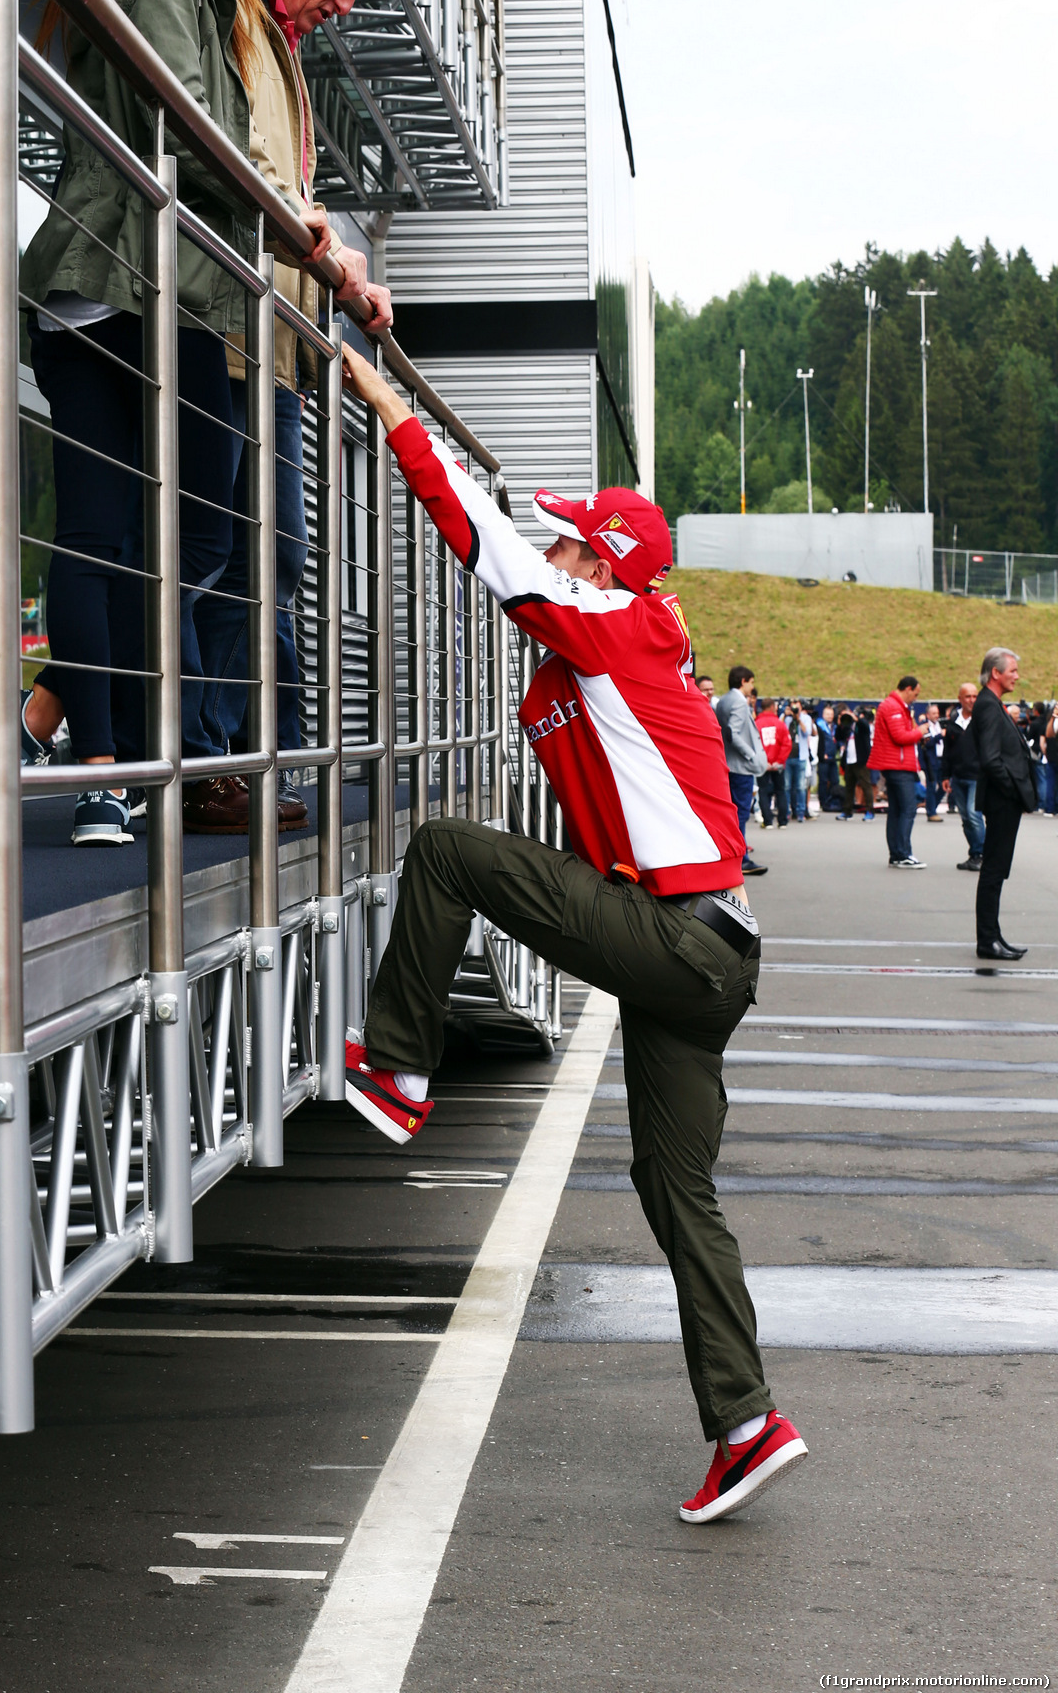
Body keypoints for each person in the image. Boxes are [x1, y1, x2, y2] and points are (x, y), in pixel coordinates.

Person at [333, 345, 807, 1525]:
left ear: (599, 565)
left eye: (566, 539)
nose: (548, 548)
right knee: (672, 1185)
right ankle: (745, 1423)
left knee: (446, 849)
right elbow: (556, 646)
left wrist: (388, 403)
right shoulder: (618, 642)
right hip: (709, 958)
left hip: (677, 936)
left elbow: (474, 537)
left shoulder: (615, 624)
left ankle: (397, 1065)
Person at [18, 0, 260, 844]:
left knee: (105, 536)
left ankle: (99, 769)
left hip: (90, 281)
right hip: (142, 279)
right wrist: (278, 214)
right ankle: (93, 750)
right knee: (194, 531)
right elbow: (186, 107)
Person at [190, 0, 398, 833]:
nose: (344, 8)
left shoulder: (282, 43)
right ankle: (210, 763)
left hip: (267, 339)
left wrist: (339, 277)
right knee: (219, 553)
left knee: (270, 558)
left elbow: (284, 202)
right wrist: (327, 246)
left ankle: (241, 762)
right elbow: (234, 158)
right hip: (217, 326)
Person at [971, 648, 1035, 959]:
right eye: (1012, 670)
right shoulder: (987, 706)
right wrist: (1012, 791)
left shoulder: (990, 704)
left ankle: (993, 936)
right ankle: (987, 941)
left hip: (1002, 799)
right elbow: (991, 759)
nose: (1017, 676)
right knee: (994, 870)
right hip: (1001, 801)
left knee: (997, 870)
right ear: (996, 673)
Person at [714, 666, 768, 876]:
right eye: (751, 682)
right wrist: (750, 755)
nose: (752, 687)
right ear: (743, 681)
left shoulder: (725, 700)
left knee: (735, 813)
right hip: (740, 766)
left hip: (729, 763)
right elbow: (733, 733)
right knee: (741, 813)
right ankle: (742, 858)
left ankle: (737, 855)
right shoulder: (738, 701)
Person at [870, 675, 925, 867]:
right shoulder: (893, 707)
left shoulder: (892, 706)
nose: (915, 699)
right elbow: (900, 736)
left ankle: (896, 853)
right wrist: (921, 731)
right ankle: (903, 853)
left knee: (897, 810)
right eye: (915, 694)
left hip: (893, 764)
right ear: (908, 689)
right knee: (908, 808)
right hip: (898, 765)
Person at [942, 682, 984, 870]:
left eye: (975, 696)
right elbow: (947, 751)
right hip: (958, 776)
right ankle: (974, 853)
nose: (972, 700)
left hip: (977, 776)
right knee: (965, 817)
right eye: (968, 696)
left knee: (974, 815)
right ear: (960, 699)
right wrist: (945, 775)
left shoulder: (982, 720)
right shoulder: (953, 722)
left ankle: (983, 854)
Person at [755, 699, 791, 828]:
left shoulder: (757, 724)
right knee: (780, 791)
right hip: (778, 764)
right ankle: (782, 821)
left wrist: (763, 762)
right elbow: (786, 744)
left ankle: (768, 821)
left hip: (763, 764)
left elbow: (754, 745)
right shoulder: (779, 724)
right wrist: (779, 761)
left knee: (763, 792)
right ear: (771, 707)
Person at [835, 707, 874, 820]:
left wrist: (855, 718)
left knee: (866, 785)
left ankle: (870, 811)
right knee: (849, 786)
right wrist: (840, 724)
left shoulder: (862, 725)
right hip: (849, 760)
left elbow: (865, 726)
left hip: (861, 760)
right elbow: (838, 737)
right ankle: (847, 811)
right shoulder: (847, 726)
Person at [785, 698, 817, 821]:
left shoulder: (806, 718)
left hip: (801, 756)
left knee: (800, 786)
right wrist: (785, 715)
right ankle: (787, 811)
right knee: (787, 787)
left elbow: (807, 732)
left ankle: (801, 812)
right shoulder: (787, 718)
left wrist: (798, 719)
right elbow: (781, 729)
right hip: (788, 756)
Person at [1024, 700, 1052, 816]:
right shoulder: (1047, 721)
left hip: (1036, 753)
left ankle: (1040, 803)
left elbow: (1029, 738)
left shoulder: (1034, 724)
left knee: (1040, 778)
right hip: (1045, 753)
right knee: (1044, 778)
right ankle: (1044, 804)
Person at [919, 702, 946, 823]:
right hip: (930, 760)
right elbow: (927, 743)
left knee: (944, 786)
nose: (936, 715)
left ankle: (932, 806)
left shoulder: (940, 725)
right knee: (931, 785)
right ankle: (931, 812)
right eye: (934, 713)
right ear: (928, 715)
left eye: (937, 713)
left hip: (942, 759)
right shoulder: (925, 726)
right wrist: (940, 736)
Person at [815, 703, 843, 812]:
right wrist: (822, 753)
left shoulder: (835, 727)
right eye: (827, 714)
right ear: (823, 714)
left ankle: (833, 800)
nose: (830, 716)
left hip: (833, 757)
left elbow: (838, 739)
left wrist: (841, 747)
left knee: (835, 780)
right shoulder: (819, 725)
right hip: (824, 757)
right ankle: (823, 801)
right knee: (823, 780)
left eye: (831, 714)